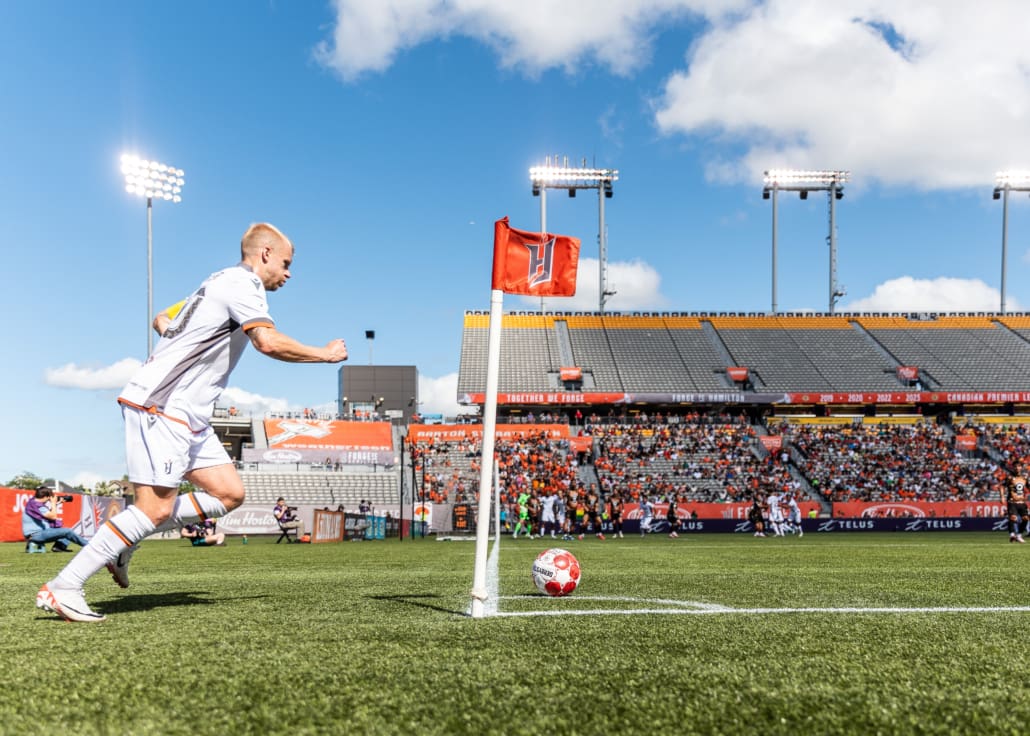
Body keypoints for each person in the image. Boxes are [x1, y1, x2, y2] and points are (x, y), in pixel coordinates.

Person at [36, 222, 348, 622]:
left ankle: (126, 539)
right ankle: (65, 586)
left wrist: (176, 336)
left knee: (229, 494)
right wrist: (323, 354)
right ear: (265, 253)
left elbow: (160, 319)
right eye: (286, 263)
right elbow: (267, 342)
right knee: (153, 510)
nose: (288, 273)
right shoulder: (243, 284)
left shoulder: (215, 282)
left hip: (190, 415)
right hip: (162, 406)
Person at [22, 486, 89, 552]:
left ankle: (59, 547)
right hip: (36, 535)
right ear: (46, 496)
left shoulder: (32, 503)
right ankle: (88, 545)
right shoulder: (38, 505)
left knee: (63, 531)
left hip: (35, 534)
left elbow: (48, 515)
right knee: (67, 531)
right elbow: (53, 516)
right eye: (50, 497)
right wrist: (53, 503)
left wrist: (56, 503)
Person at [1003, 473, 1028, 544]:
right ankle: (1012, 535)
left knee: (1025, 518)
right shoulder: (1010, 478)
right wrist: (1002, 496)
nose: (1017, 468)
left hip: (1022, 502)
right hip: (1012, 502)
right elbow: (1002, 486)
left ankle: (1019, 536)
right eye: (1016, 466)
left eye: (1019, 466)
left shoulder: (1024, 478)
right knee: (1013, 518)